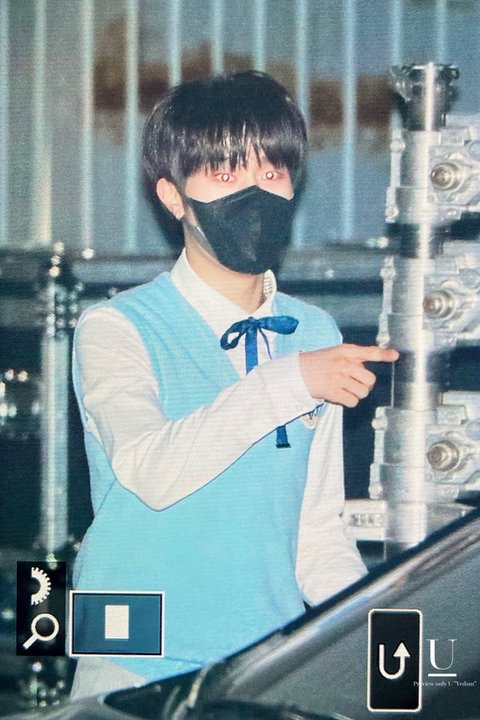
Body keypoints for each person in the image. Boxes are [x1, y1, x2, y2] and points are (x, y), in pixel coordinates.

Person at [70, 70, 398, 699]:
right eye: (225, 175)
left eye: (272, 172)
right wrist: (288, 382)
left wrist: (381, 642)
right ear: (173, 197)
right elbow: (152, 471)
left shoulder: (314, 333)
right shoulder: (115, 327)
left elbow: (315, 532)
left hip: (261, 662)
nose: (255, 193)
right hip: (132, 653)